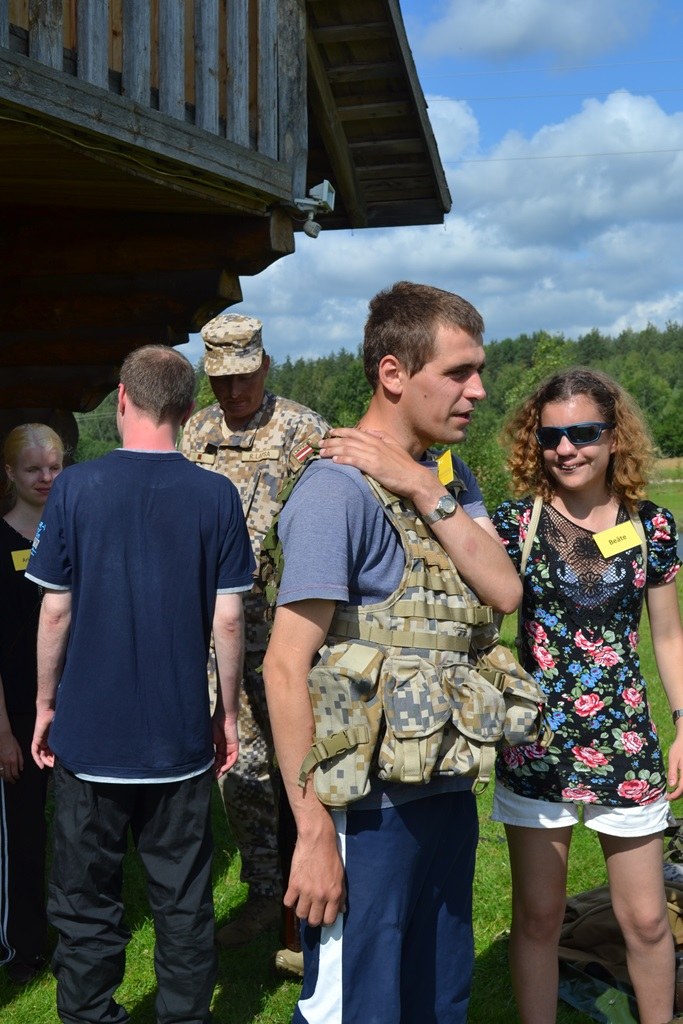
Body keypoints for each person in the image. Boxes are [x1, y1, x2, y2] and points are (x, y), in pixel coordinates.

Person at [262, 281, 522, 1023]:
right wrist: (313, 832)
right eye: (459, 372)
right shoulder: (336, 491)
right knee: (357, 1005)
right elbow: (283, 666)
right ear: (393, 373)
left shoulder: (447, 478)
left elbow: (504, 590)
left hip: (444, 791)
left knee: (436, 998)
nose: (478, 390)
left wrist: (416, 481)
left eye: (479, 371)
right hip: (364, 813)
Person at [28, 345, 255, 1024]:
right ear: (187, 409)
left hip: (89, 737)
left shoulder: (75, 488)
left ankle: (89, 1015)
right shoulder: (217, 495)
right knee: (182, 900)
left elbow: (56, 610)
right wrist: (228, 715)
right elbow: (229, 619)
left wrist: (44, 704)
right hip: (179, 738)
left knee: (84, 899)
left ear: (122, 399)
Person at [491, 367, 683, 1024]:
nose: (566, 448)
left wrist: (682, 722)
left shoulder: (652, 526)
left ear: (614, 436)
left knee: (648, 921)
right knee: (539, 917)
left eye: (583, 433)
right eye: (551, 437)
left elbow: (667, 636)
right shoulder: (514, 524)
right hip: (535, 748)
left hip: (625, 745)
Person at [179, 313, 329, 959]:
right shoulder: (195, 433)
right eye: (220, 380)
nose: (234, 392)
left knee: (306, 764)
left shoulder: (303, 430)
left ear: (264, 366)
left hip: (291, 635)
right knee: (240, 769)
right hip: (220, 636)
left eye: (244, 377)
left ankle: (314, 893)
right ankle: (266, 893)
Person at [0, 423, 63, 984]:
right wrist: (2, 733)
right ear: (9, 473)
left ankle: (75, 936)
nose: (45, 478)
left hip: (71, 709)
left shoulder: (71, 534)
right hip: (16, 716)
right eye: (33, 469)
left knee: (74, 831)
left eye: (54, 468)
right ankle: (23, 946)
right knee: (23, 836)